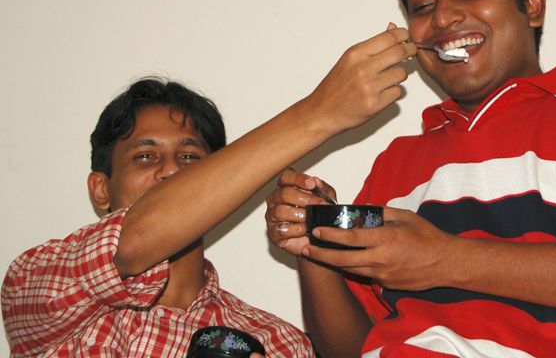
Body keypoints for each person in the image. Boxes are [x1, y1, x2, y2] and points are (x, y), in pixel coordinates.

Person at [265, 0, 556, 357]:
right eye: (422, 5)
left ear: (532, 3)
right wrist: (314, 253)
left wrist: (442, 260)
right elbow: (349, 348)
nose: (442, 18)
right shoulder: (396, 162)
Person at [1, 27, 416, 357]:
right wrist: (320, 113)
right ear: (100, 189)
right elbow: (134, 241)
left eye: (190, 160)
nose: (170, 173)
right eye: (145, 157)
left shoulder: (275, 342)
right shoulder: (42, 288)